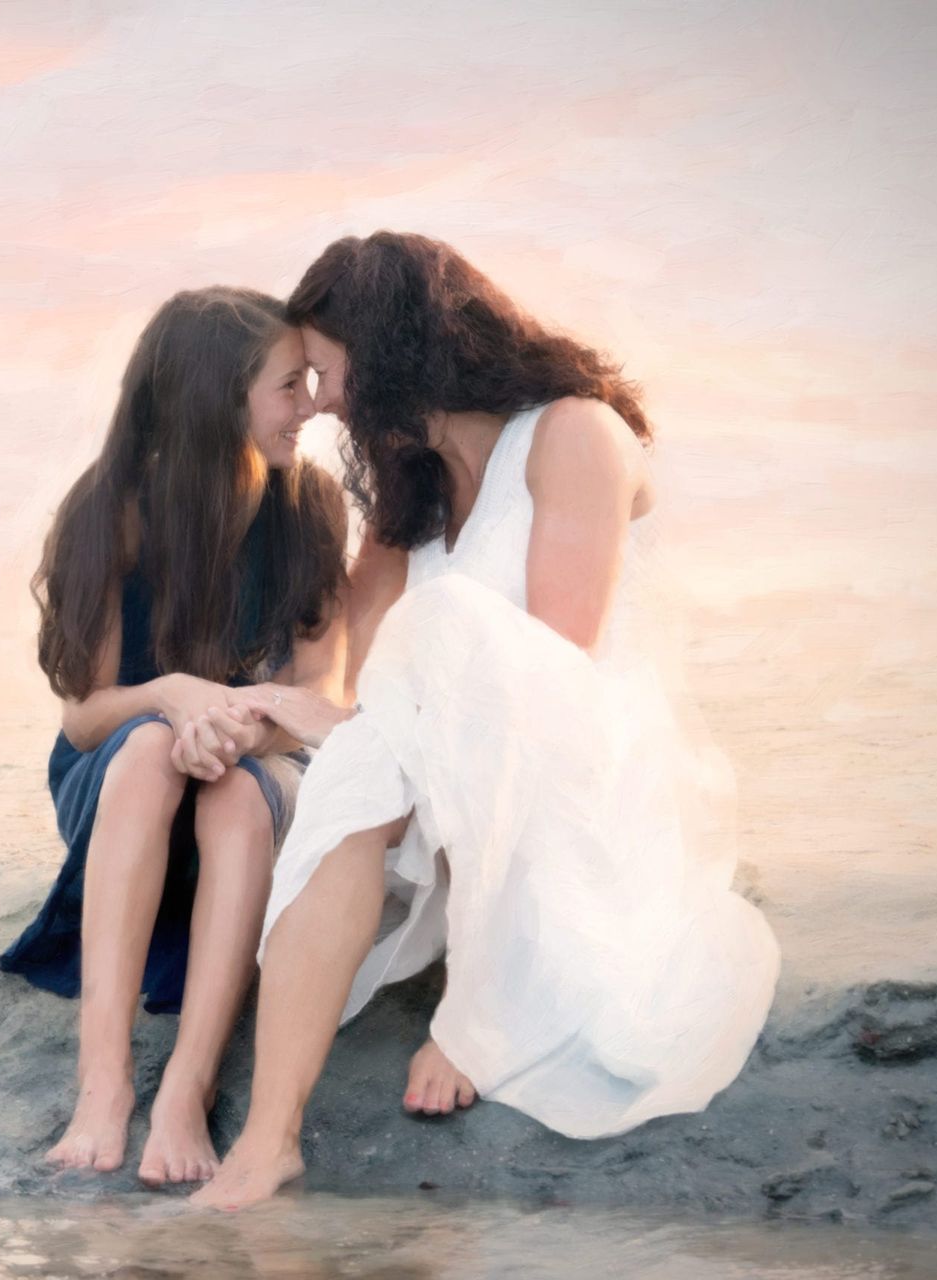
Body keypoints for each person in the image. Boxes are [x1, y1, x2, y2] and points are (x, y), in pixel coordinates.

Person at [192, 232, 781, 1210]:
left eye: (325, 373)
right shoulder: (410, 489)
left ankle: (479, 1010)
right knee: (360, 767)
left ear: (389, 350)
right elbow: (343, 655)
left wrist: (338, 714)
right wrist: (265, 708)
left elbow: (551, 666)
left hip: (574, 774)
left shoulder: (574, 433)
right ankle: (268, 1139)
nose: (324, 400)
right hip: (432, 773)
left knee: (444, 643)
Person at [0, 286, 349, 1185]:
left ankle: (185, 1093)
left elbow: (322, 696)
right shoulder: (112, 508)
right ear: (215, 399)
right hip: (124, 782)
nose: (311, 405)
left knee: (229, 792)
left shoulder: (309, 506)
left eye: (311, 381)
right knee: (153, 744)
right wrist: (175, 695)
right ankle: (104, 1085)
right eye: (288, 386)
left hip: (252, 764)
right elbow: (85, 714)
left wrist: (237, 725)